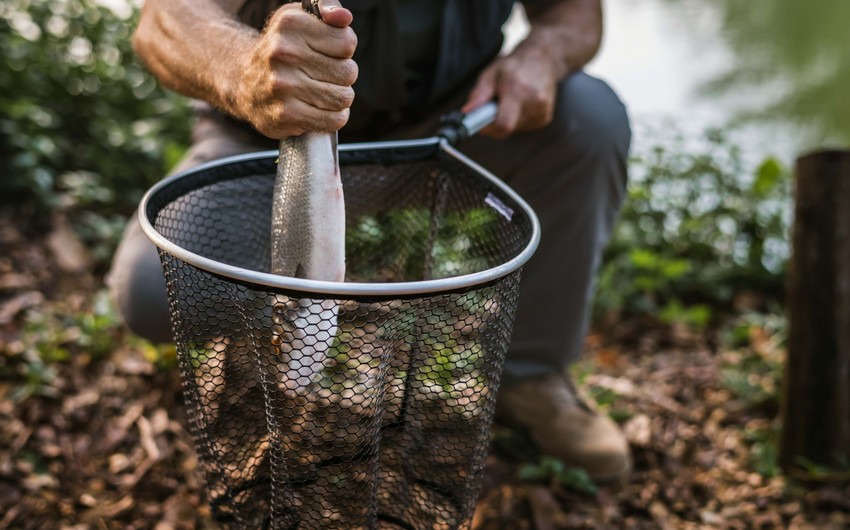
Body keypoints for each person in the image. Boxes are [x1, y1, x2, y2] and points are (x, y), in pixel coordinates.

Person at [110, 0, 632, 484]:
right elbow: (163, 20)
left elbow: (575, 12)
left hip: (454, 126)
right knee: (154, 290)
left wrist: (541, 55)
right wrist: (246, 69)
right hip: (269, 138)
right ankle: (255, 333)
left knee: (589, 118)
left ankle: (531, 378)